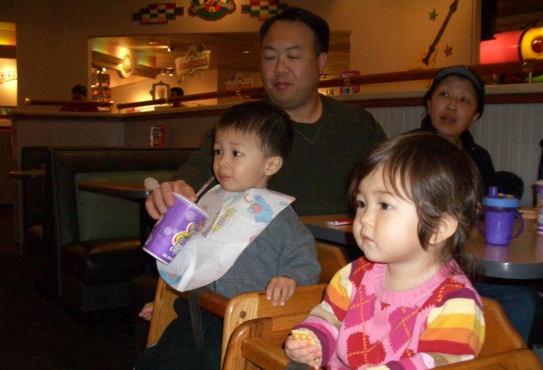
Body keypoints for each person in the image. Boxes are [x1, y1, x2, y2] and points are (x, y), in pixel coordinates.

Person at [252, 133, 485, 370]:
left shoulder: (454, 300)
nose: (364, 219)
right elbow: (328, 314)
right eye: (362, 204)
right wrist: (313, 339)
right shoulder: (356, 275)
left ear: (438, 227)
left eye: (385, 205)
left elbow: (443, 366)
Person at [117, 101, 321, 370]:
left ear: (271, 165)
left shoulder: (279, 216)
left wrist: (290, 277)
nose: (222, 162)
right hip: (196, 312)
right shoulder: (212, 203)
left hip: (242, 329)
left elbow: (307, 262)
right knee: (155, 365)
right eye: (218, 151)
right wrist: (164, 294)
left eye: (236, 153)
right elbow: (192, 259)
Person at [145, 7, 387, 220]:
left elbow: (393, 186)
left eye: (293, 56)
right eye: (270, 57)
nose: (279, 68)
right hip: (267, 262)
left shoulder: (358, 124)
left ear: (320, 61)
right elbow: (198, 172)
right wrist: (176, 189)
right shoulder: (243, 125)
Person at [416, 65, 542, 370]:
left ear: (476, 115)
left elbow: (477, 215)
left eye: (464, 100)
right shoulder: (411, 150)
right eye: (444, 95)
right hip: (421, 272)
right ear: (429, 102)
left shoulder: (477, 157)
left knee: (520, 301)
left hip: (462, 268)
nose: (452, 105)